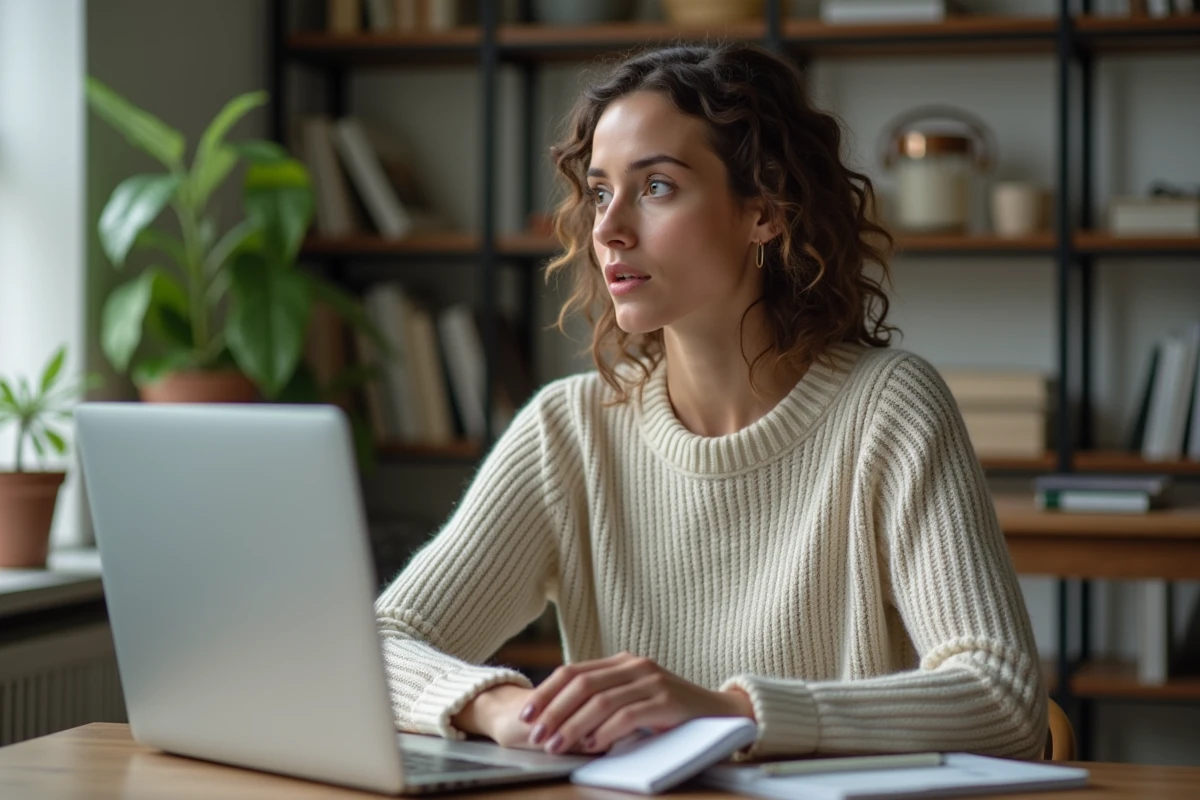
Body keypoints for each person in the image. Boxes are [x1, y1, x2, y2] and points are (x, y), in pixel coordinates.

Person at [374, 42, 1046, 762]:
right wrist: (504, 708)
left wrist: (730, 713)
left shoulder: (888, 409)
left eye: (656, 186)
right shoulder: (568, 430)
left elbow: (1001, 698)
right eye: (601, 191)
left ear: (764, 212)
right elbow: (379, 646)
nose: (608, 228)